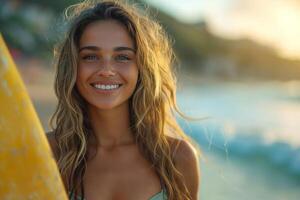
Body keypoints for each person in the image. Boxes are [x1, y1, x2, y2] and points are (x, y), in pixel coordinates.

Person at [46, 0, 200, 199]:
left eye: (123, 57)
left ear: (141, 69)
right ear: (74, 66)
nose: (106, 70)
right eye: (90, 57)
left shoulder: (176, 158)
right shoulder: (49, 152)